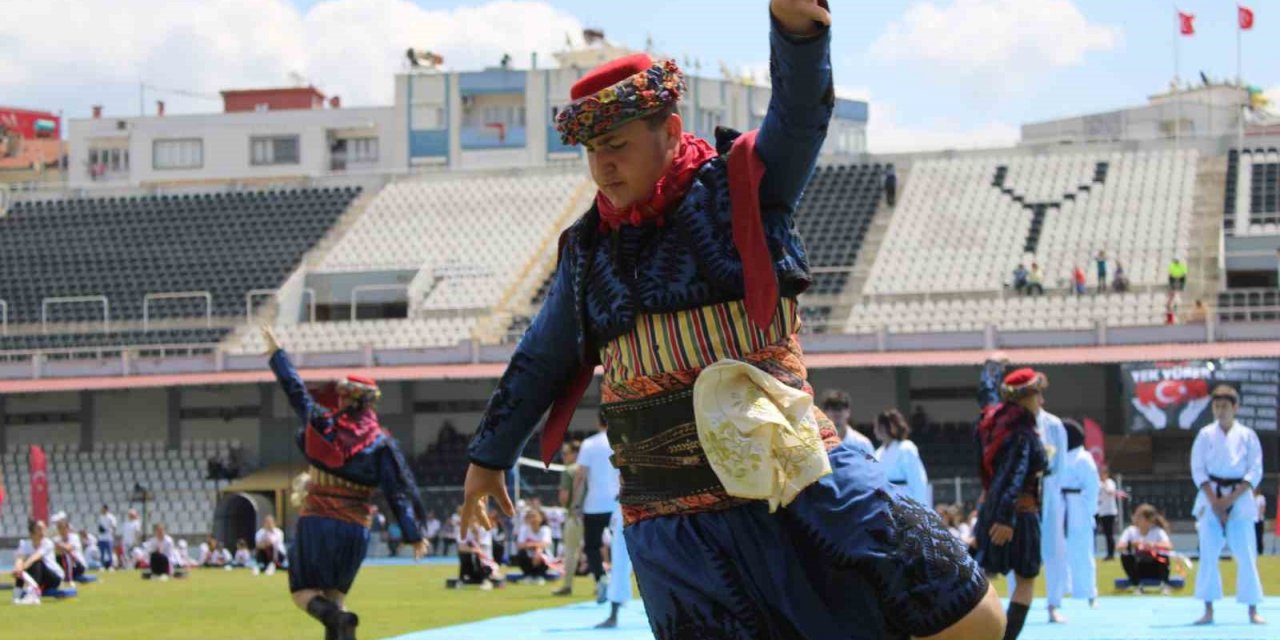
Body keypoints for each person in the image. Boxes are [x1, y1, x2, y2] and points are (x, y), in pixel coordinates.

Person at [461, 3, 1003, 639]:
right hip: (672, 524)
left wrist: (797, 32)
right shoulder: (586, 250)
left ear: (670, 129)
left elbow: (800, 118)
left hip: (800, 476)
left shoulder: (741, 185)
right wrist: (489, 458)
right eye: (590, 151)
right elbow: (542, 356)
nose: (602, 166)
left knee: (973, 619)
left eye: (616, 145)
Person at [263, 325, 429, 640]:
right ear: (370, 403)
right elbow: (397, 493)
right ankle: (339, 620)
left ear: (343, 398)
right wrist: (413, 533)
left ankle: (334, 618)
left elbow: (294, 389)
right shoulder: (382, 442)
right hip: (356, 529)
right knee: (337, 595)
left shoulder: (323, 425)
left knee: (303, 592)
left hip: (318, 523)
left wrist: (277, 354)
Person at [975, 368, 1049, 640]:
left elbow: (986, 392)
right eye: (1038, 395)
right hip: (1018, 515)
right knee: (1025, 580)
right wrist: (1006, 518)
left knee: (982, 576)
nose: (1042, 402)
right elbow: (1015, 475)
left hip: (991, 508)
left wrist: (991, 368)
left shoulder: (993, 420)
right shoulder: (1022, 433)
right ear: (1026, 398)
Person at [1191, 384, 1265, 626]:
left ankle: (1252, 609)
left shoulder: (1248, 435)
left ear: (1236, 407)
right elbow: (1198, 469)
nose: (1220, 411)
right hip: (1210, 496)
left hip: (1240, 497)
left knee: (1246, 554)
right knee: (1209, 554)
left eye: (1224, 406)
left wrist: (1230, 500)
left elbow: (1255, 470)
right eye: (1216, 406)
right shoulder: (1205, 435)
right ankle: (1208, 609)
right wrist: (1216, 502)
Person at [573, 414, 618, 603]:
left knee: (592, 546)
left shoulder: (589, 444)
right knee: (619, 545)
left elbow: (580, 476)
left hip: (594, 505)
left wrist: (576, 503)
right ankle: (615, 581)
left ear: (597, 422)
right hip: (617, 503)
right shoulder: (620, 441)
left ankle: (601, 578)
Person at [1059, 419, 1099, 613]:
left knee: (1082, 550)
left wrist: (1088, 512)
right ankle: (1061, 590)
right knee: (1059, 551)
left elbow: (1092, 487)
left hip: (1078, 506)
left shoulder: (1083, 457)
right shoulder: (1058, 456)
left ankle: (1089, 592)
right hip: (1060, 505)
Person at [1037, 390, 1071, 624]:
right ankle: (1017, 603)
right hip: (1022, 490)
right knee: (1017, 548)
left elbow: (1061, 465)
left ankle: (1053, 603)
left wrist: (1051, 491)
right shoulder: (1014, 424)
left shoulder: (1054, 425)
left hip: (1049, 487)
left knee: (1054, 548)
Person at [874, 408, 930, 506]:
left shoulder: (906, 448)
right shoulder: (877, 453)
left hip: (906, 508)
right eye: (877, 426)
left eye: (880, 426)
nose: (877, 430)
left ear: (891, 427)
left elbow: (918, 482)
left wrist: (920, 510)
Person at [596, 498, 636, 629]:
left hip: (635, 504)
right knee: (620, 565)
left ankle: (613, 616)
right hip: (633, 504)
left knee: (620, 565)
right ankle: (614, 613)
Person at [552, 440, 583, 597]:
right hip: (595, 514)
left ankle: (567, 586)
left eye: (565, 453)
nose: (563, 456)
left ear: (575, 454)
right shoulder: (592, 469)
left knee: (571, 551)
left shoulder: (569, 470)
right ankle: (601, 585)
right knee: (596, 550)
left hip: (575, 515)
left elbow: (564, 498)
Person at [1117, 504, 1173, 588]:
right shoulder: (1130, 531)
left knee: (1163, 556)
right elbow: (1119, 547)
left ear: (1148, 520)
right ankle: (1137, 584)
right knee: (1125, 555)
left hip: (1155, 567)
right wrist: (1131, 544)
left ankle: (1164, 583)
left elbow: (1169, 546)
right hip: (1138, 568)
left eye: (1139, 517)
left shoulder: (1157, 531)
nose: (1135, 518)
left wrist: (1154, 545)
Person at [11, 520, 64, 605]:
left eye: (44, 528)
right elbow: (20, 558)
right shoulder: (25, 544)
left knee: (36, 562)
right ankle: (16, 597)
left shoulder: (47, 543)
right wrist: (17, 569)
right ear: (32, 531)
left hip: (54, 577)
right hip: (39, 577)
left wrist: (21, 569)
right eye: (39, 528)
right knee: (21, 568)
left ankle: (33, 595)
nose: (43, 530)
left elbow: (35, 557)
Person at [820, 390, 874, 455]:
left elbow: (872, 464)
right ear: (824, 413)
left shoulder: (862, 444)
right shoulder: (817, 444)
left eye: (840, 408)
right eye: (832, 408)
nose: (837, 412)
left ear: (848, 412)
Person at [513, 509, 553, 585]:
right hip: (528, 556)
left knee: (542, 554)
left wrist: (537, 550)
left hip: (541, 556)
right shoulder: (524, 529)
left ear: (541, 518)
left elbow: (545, 544)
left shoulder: (545, 529)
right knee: (521, 553)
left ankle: (539, 575)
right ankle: (528, 575)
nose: (532, 519)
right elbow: (520, 545)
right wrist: (536, 546)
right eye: (530, 517)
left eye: (534, 516)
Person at [457, 520, 499, 589]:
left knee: (479, 557)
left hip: (486, 563)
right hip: (473, 559)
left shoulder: (485, 530)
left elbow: (481, 549)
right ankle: (463, 578)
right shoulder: (464, 530)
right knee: (464, 555)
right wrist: (472, 550)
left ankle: (486, 580)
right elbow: (461, 548)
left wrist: (477, 534)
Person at [51, 514, 88, 583]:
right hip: (64, 563)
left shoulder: (74, 537)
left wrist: (58, 545)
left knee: (67, 554)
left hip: (77, 564)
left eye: (63, 528)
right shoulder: (57, 539)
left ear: (67, 528)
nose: (61, 530)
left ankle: (69, 579)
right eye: (59, 528)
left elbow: (68, 548)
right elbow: (56, 551)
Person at [1096, 466, 1121, 561]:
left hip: (1110, 512)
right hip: (1101, 512)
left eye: (1103, 473)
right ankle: (1108, 553)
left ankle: (1111, 554)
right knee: (1105, 533)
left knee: (1109, 534)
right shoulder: (1098, 483)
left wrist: (1104, 485)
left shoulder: (1110, 482)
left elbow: (1111, 492)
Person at [97, 504, 118, 572]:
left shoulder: (111, 517)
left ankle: (110, 566)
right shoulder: (100, 517)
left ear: (106, 509)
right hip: (101, 537)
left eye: (103, 509)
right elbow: (99, 526)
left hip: (109, 537)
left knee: (110, 553)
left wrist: (112, 534)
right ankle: (102, 566)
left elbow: (114, 526)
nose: (101, 510)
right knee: (102, 553)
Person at [1255, 488, 1267, 556]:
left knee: (1259, 536)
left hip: (1259, 519)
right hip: (1252, 520)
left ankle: (1260, 551)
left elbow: (1262, 507)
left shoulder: (1261, 497)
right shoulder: (1250, 497)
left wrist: (1260, 515)